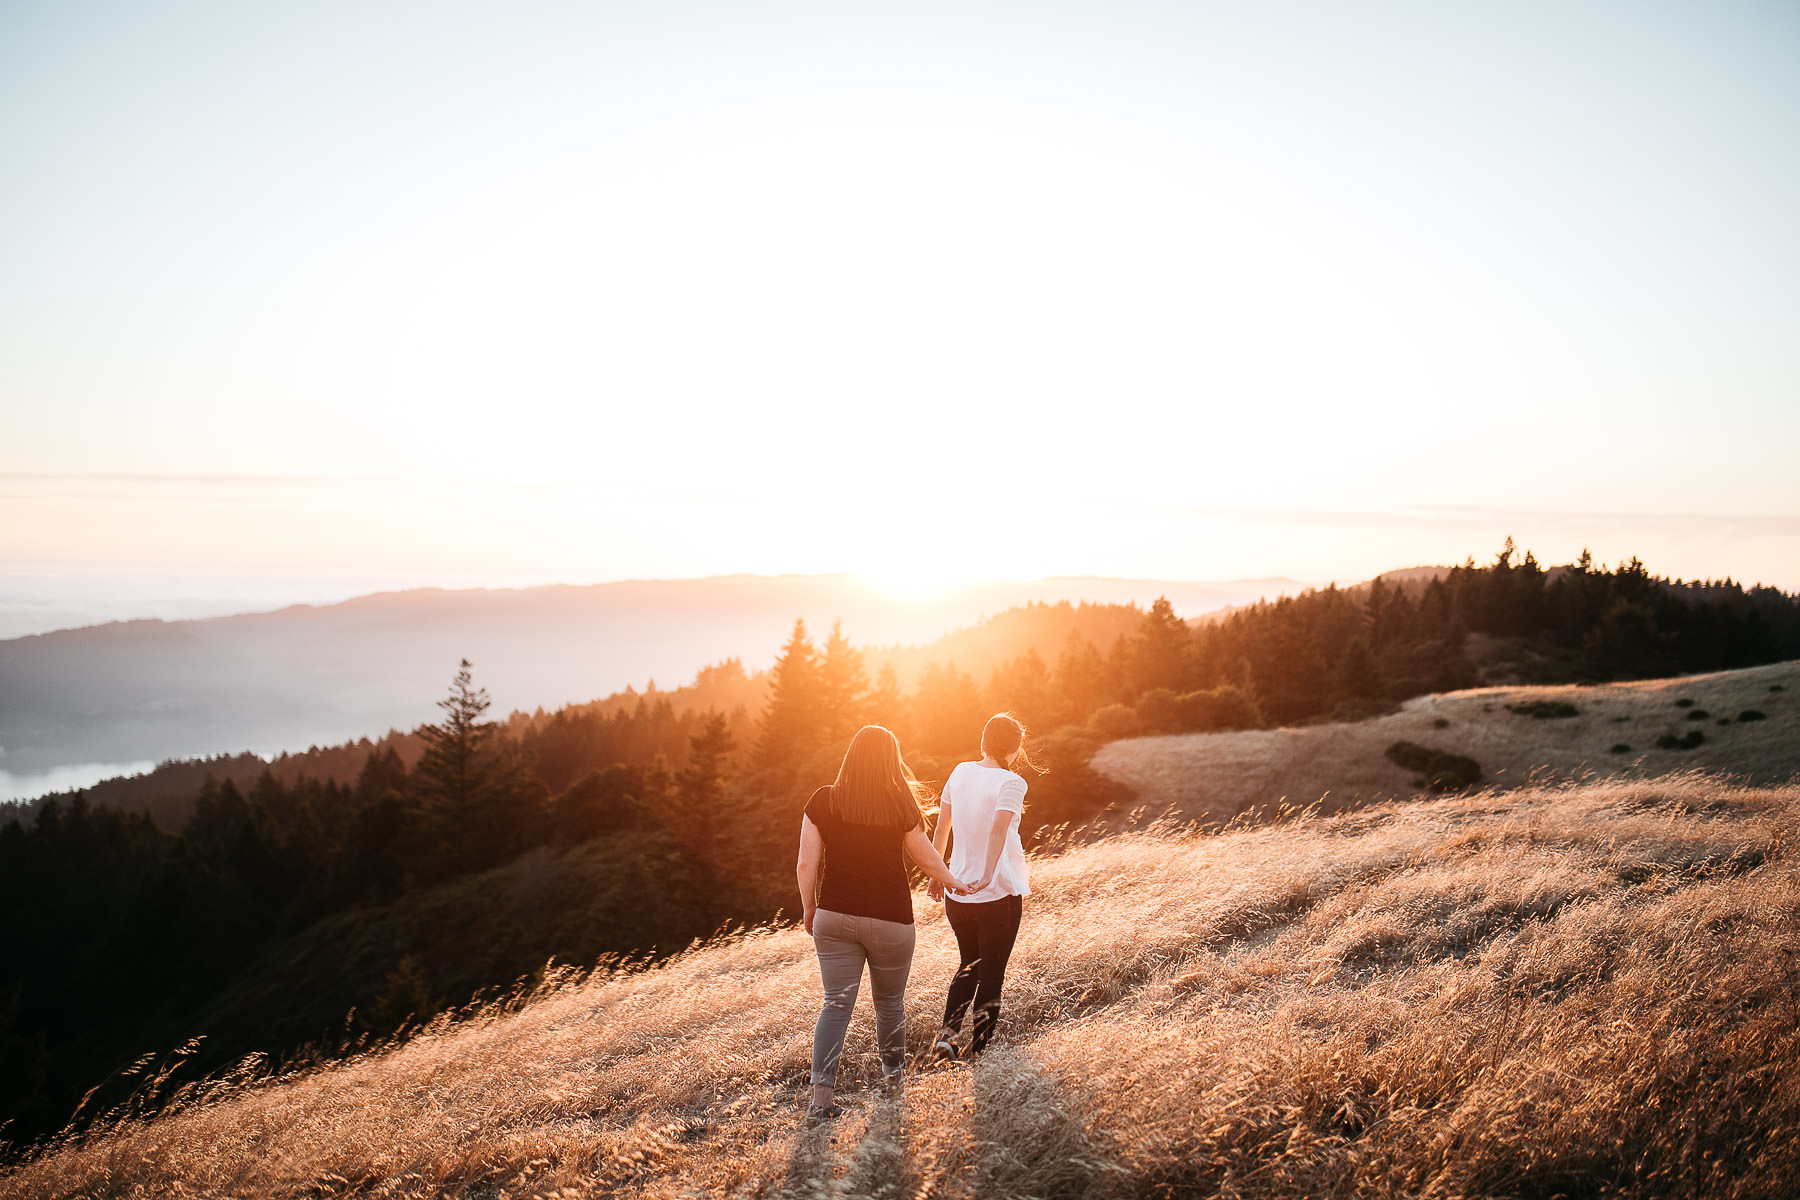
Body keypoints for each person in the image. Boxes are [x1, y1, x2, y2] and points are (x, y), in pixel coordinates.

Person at [796, 724, 968, 1121]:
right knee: (889, 1006)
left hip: (834, 917)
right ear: (891, 760)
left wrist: (810, 907)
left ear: (851, 755)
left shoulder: (824, 800)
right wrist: (958, 884)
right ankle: (894, 1090)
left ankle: (820, 1104)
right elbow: (926, 858)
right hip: (891, 921)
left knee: (835, 1006)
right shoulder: (899, 803)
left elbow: (806, 862)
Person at [926, 712, 1038, 1061]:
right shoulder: (1012, 782)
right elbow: (998, 828)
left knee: (967, 965)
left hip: (956, 893)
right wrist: (988, 875)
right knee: (991, 976)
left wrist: (937, 873)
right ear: (1016, 746)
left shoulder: (960, 771)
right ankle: (978, 1053)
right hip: (998, 894)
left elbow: (941, 827)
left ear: (984, 740)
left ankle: (946, 1038)